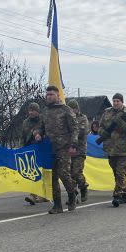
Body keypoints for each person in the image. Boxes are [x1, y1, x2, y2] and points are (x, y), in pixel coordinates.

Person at [40, 85, 78, 214]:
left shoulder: (65, 109)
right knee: (53, 177)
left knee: (64, 174)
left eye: (51, 94)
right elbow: (41, 127)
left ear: (58, 96)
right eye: (47, 94)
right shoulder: (44, 111)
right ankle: (57, 205)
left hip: (64, 147)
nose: (49, 96)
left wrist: (73, 145)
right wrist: (38, 133)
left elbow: (74, 128)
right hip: (50, 148)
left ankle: (72, 195)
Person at [98, 93, 126, 207]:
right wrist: (103, 133)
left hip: (124, 149)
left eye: (118, 101)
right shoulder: (107, 112)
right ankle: (125, 194)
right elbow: (100, 127)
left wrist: (121, 123)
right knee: (117, 173)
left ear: (122, 102)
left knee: (121, 172)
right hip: (111, 148)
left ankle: (118, 195)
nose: (115, 103)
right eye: (114, 101)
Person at [20, 102, 49, 206]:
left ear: (38, 111)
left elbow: (47, 131)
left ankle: (44, 194)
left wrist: (41, 135)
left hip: (42, 149)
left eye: (33, 110)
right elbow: (23, 136)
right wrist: (22, 149)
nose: (31, 112)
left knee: (43, 172)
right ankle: (33, 194)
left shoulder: (43, 120)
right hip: (30, 150)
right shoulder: (25, 122)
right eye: (30, 110)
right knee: (33, 172)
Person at [67, 99, 90, 203]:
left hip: (79, 150)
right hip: (68, 150)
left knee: (76, 173)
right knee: (69, 175)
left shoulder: (82, 118)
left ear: (77, 109)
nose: (71, 111)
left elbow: (82, 131)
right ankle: (73, 196)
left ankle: (83, 187)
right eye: (69, 109)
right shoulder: (66, 119)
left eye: (73, 109)